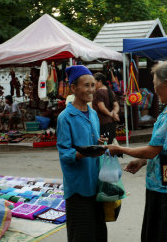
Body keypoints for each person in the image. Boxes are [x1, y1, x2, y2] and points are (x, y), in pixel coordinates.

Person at [107, 61, 167, 242]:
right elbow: (165, 149)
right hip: (162, 186)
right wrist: (142, 161)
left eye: (156, 86)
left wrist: (118, 149)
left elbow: (152, 150)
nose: (155, 91)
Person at [56, 65, 107, 242]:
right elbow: (65, 153)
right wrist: (83, 154)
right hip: (78, 187)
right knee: (82, 234)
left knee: (98, 233)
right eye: (86, 85)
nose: (91, 89)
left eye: (93, 85)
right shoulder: (65, 117)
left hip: (96, 183)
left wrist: (98, 144)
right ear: (73, 88)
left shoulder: (93, 114)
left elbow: (92, 141)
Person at [92, 72, 120, 144]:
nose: (92, 84)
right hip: (111, 123)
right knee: (111, 144)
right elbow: (116, 106)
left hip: (102, 123)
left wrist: (111, 114)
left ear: (100, 81)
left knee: (104, 147)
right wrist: (114, 113)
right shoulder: (110, 91)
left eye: (93, 81)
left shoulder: (98, 92)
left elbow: (102, 108)